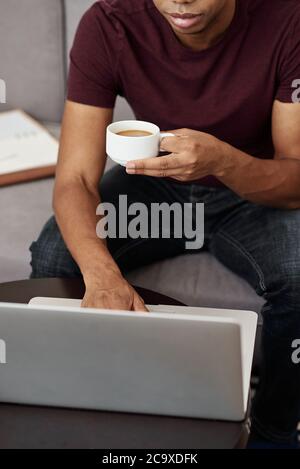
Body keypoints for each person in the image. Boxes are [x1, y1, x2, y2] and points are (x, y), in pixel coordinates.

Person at [30, 0, 300, 448]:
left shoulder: (286, 18)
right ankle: (80, 408)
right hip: (153, 183)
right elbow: (75, 177)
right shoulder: (110, 23)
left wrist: (224, 162)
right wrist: (103, 278)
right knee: (56, 254)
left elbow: (294, 178)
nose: (180, 1)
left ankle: (274, 432)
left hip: (251, 186)